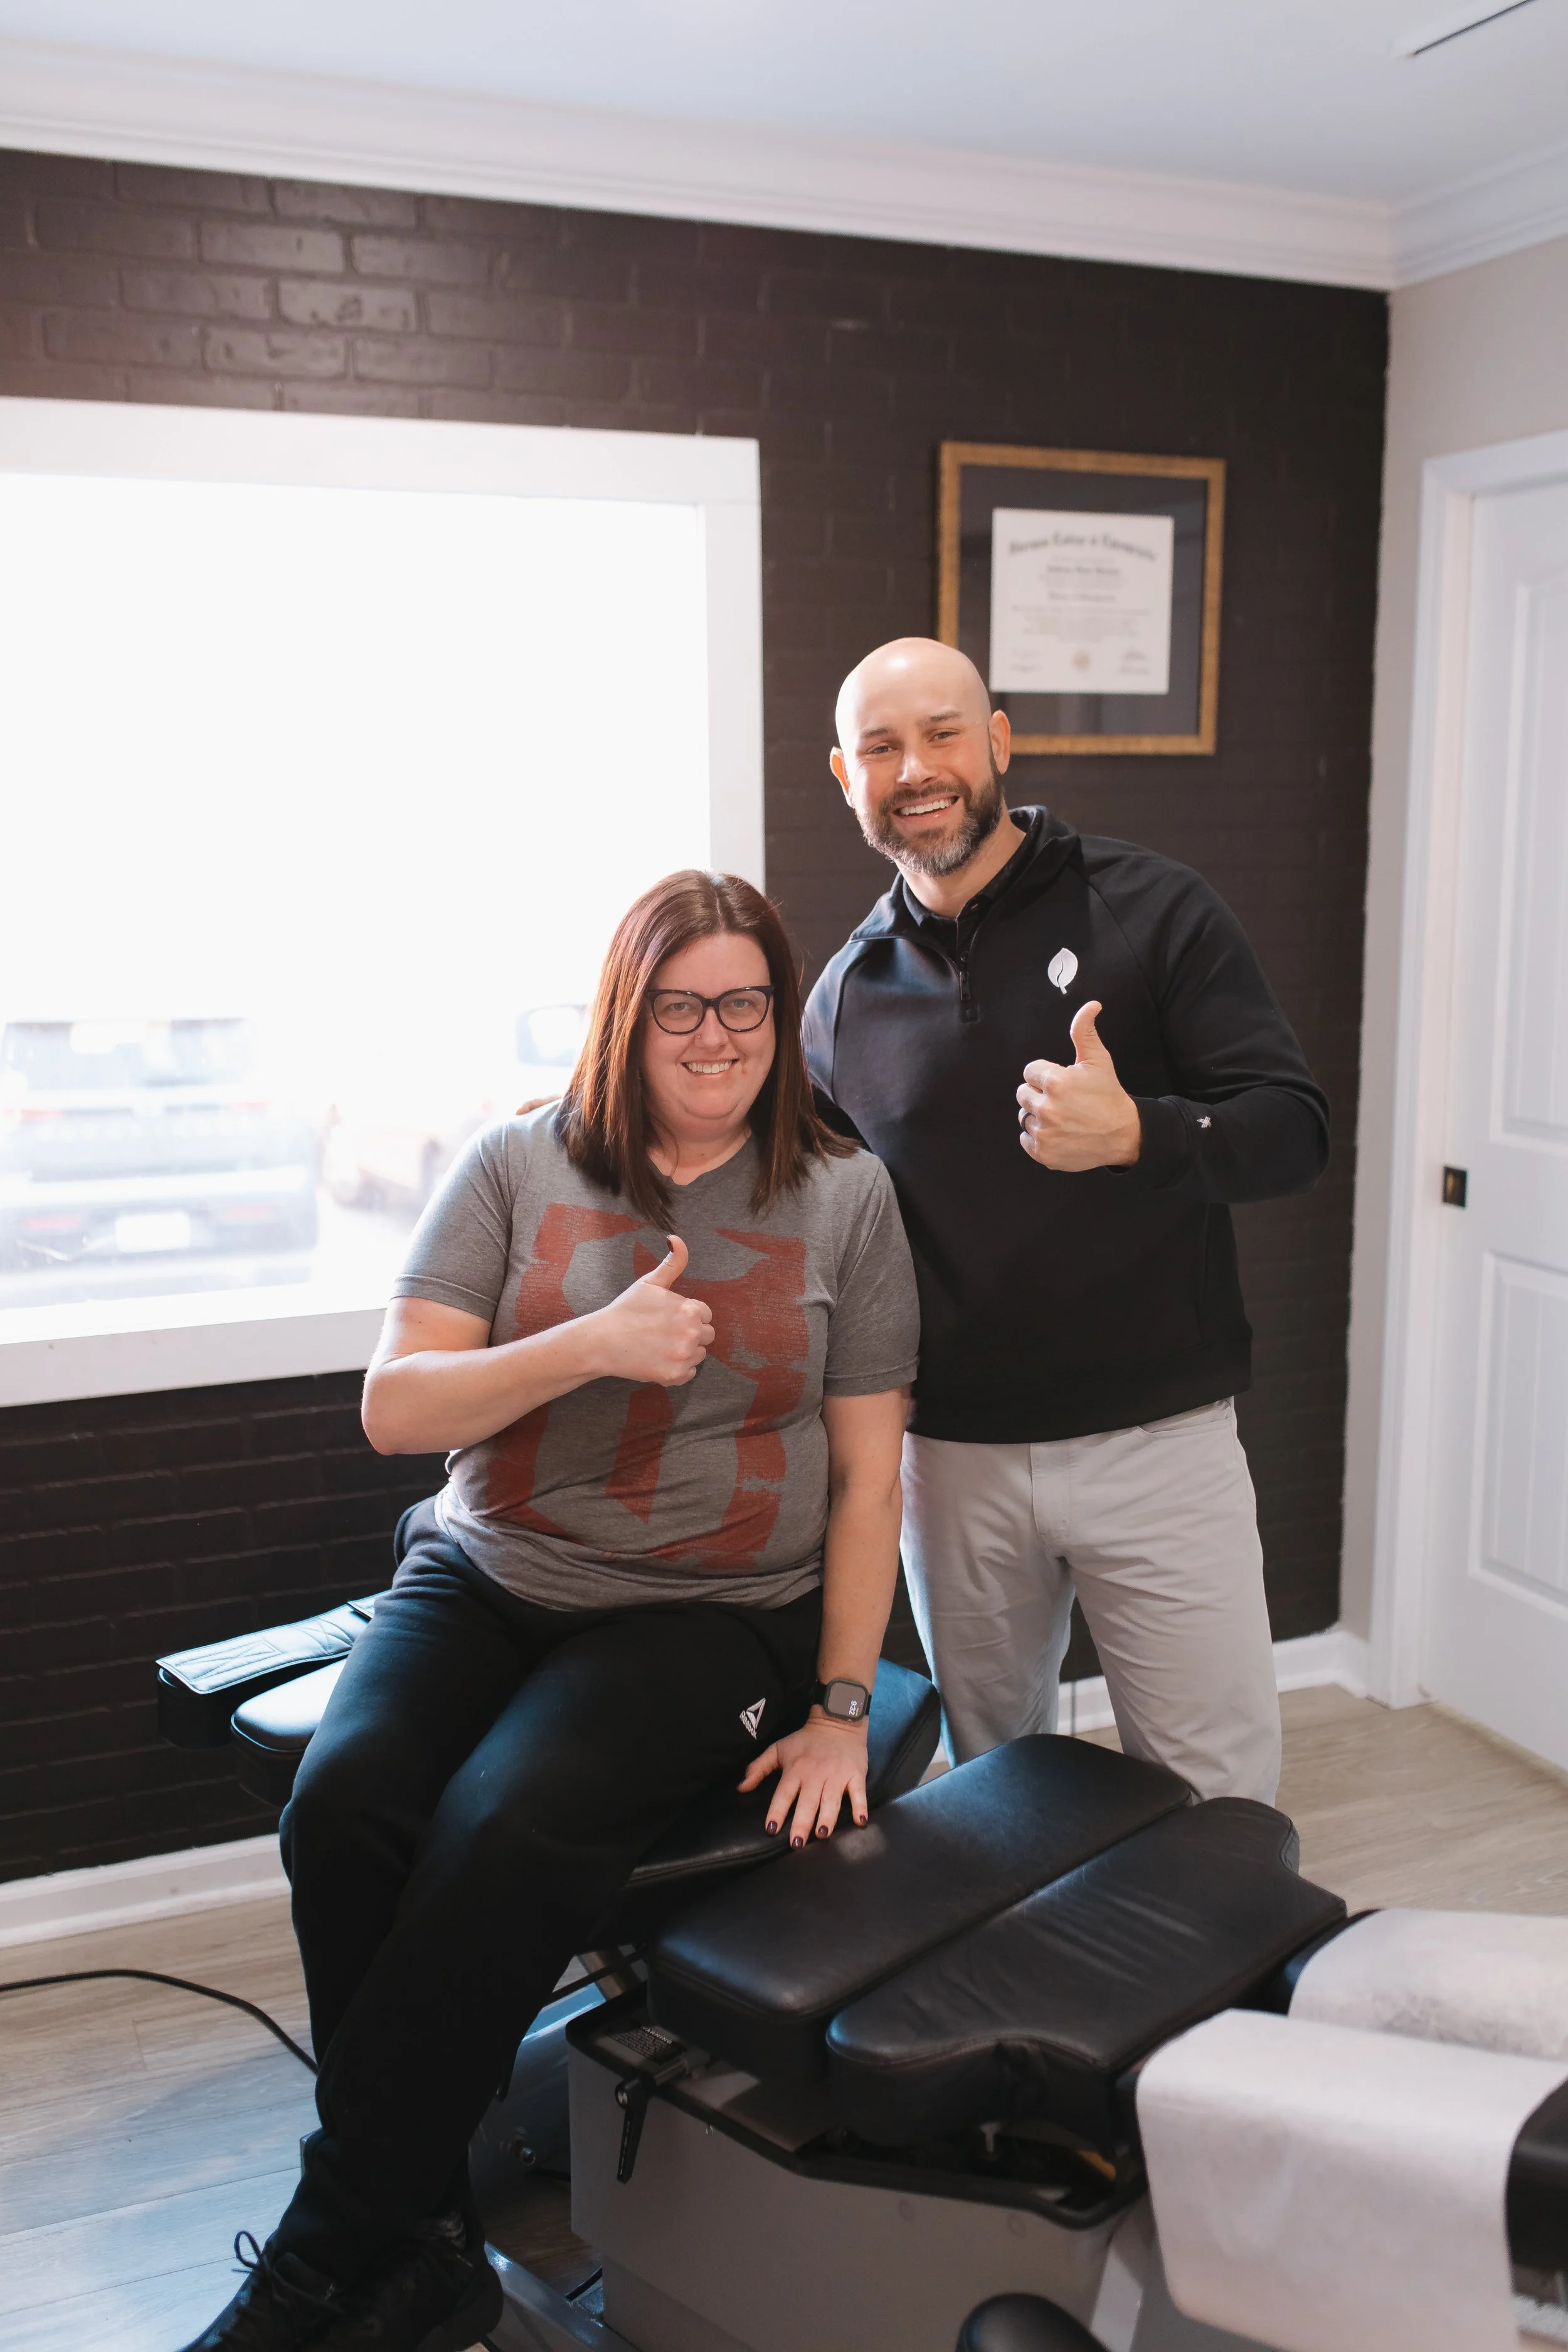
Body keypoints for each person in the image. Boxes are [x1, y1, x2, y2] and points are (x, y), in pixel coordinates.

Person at [183, 870, 918, 2352]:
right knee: (344, 1806)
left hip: (713, 1615)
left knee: (507, 1824)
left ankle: (327, 2259)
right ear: (623, 1016)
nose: (715, 1036)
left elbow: (866, 1478)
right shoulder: (519, 1164)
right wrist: (594, 1342)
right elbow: (398, 1407)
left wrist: (844, 1705)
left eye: (746, 1004)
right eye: (678, 1006)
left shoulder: (844, 1194)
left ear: (780, 1016)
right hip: (485, 1568)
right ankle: (428, 2230)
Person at [803, 637, 1328, 1806]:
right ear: (847, 778)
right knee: (997, 1790)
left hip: (1161, 1447)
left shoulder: (1152, 907)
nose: (916, 768)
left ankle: (1222, 1996)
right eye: (881, 747)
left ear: (997, 742)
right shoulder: (842, 999)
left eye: (943, 732)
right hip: (951, 1466)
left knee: (1219, 1796)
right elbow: (830, 1238)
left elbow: (1294, 1129)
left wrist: (1142, 1132)